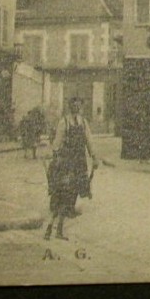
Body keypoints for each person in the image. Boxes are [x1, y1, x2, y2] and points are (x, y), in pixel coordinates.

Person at [45, 97, 98, 240]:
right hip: (66, 163)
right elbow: (57, 143)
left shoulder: (83, 122)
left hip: (79, 163)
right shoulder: (65, 122)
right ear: (70, 107)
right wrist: (55, 158)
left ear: (80, 107)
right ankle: (52, 229)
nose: (76, 108)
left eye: (78, 105)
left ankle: (57, 230)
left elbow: (89, 141)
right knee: (62, 194)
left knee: (72, 195)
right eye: (74, 106)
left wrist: (94, 157)